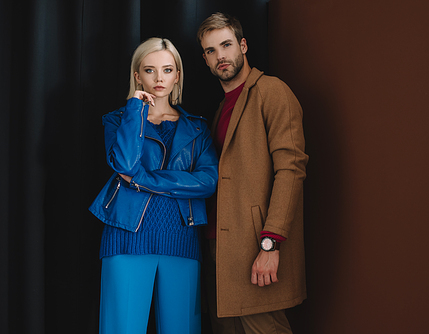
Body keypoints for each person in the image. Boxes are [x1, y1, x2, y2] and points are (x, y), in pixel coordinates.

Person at [89, 37, 218, 334]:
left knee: (181, 329)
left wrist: (144, 179)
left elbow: (207, 182)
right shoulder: (117, 120)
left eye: (168, 70)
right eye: (150, 70)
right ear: (137, 75)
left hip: (181, 238)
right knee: (121, 328)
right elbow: (123, 164)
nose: (159, 78)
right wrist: (135, 109)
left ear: (177, 76)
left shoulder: (197, 128)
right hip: (126, 238)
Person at [197, 13, 308, 334]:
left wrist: (271, 243)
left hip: (255, 246)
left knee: (265, 328)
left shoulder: (271, 92)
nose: (221, 56)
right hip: (219, 245)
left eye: (226, 45)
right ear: (204, 59)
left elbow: (291, 169)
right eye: (211, 51)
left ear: (243, 45)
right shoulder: (221, 108)